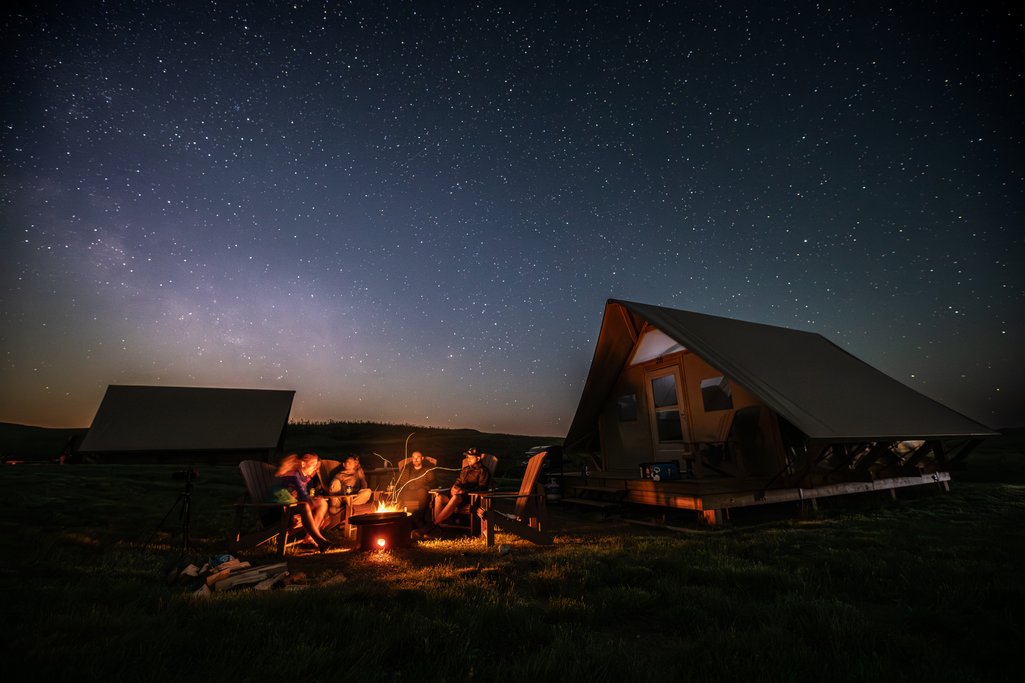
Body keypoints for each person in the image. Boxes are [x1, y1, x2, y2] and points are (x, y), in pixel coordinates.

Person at [267, 452, 334, 552]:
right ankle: (320, 541)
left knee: (321, 502)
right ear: (303, 464)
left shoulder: (302, 476)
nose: (315, 468)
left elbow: (303, 496)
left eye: (316, 465)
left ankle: (309, 540)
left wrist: (323, 511)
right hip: (277, 511)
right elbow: (303, 497)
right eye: (313, 465)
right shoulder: (292, 476)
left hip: (290, 507)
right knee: (305, 506)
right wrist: (324, 515)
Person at [428, 447, 491, 531]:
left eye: (471, 457)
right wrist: (454, 487)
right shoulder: (465, 469)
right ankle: (438, 527)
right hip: (458, 495)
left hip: (471, 498)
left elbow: (482, 487)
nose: (468, 459)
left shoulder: (483, 471)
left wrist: (464, 491)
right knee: (439, 498)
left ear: (478, 458)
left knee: (455, 497)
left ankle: (432, 525)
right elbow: (458, 481)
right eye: (467, 457)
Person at [394, 450, 436, 530]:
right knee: (400, 494)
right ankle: (403, 520)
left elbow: (433, 482)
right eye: (414, 458)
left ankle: (417, 519)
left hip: (421, 494)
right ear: (412, 459)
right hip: (409, 494)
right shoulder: (407, 470)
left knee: (422, 492)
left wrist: (425, 488)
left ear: (422, 458)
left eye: (418, 457)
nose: (416, 460)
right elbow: (400, 483)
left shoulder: (427, 470)